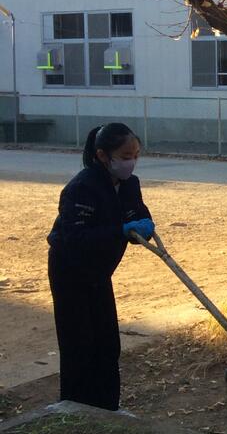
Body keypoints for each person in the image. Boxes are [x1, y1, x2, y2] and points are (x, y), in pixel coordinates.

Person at [47, 123, 155, 411]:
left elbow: (137, 214)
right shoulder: (81, 188)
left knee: (107, 343)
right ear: (103, 156)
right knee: (78, 344)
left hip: (99, 271)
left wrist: (143, 224)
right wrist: (119, 231)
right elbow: (76, 238)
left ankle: (108, 408)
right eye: (125, 156)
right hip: (70, 270)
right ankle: (75, 408)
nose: (131, 162)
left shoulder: (129, 184)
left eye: (136, 155)